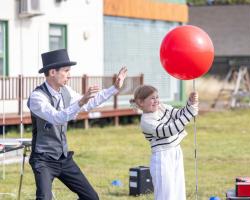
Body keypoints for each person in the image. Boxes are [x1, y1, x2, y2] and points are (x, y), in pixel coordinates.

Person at [27, 49, 127, 200]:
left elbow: (88, 103)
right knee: (44, 198)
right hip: (43, 159)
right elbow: (57, 117)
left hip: (63, 158)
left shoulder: (66, 90)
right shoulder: (37, 97)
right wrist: (81, 102)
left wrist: (114, 88)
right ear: (53, 72)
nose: (69, 74)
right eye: (66, 71)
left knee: (91, 197)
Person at [130, 85, 199, 200]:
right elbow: (168, 130)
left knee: (178, 191)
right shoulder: (146, 121)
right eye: (152, 98)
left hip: (176, 151)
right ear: (141, 102)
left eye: (157, 97)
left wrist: (190, 104)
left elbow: (179, 114)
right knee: (166, 195)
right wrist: (190, 113)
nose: (156, 101)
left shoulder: (162, 107)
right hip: (162, 157)